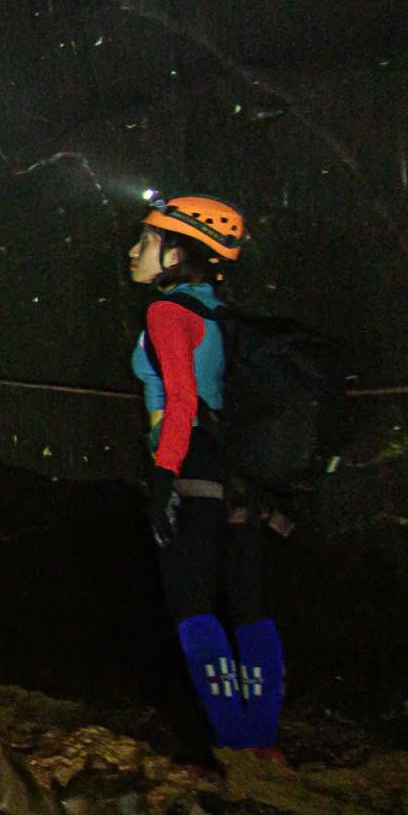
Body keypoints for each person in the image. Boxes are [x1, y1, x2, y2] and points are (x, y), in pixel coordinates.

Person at [128, 193, 285, 763]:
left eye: (145, 241)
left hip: (190, 464)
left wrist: (164, 477)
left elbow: (181, 400)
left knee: (192, 606)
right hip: (235, 471)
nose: (134, 251)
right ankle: (263, 741)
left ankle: (234, 741)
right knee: (248, 605)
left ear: (176, 250)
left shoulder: (168, 312)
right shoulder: (216, 310)